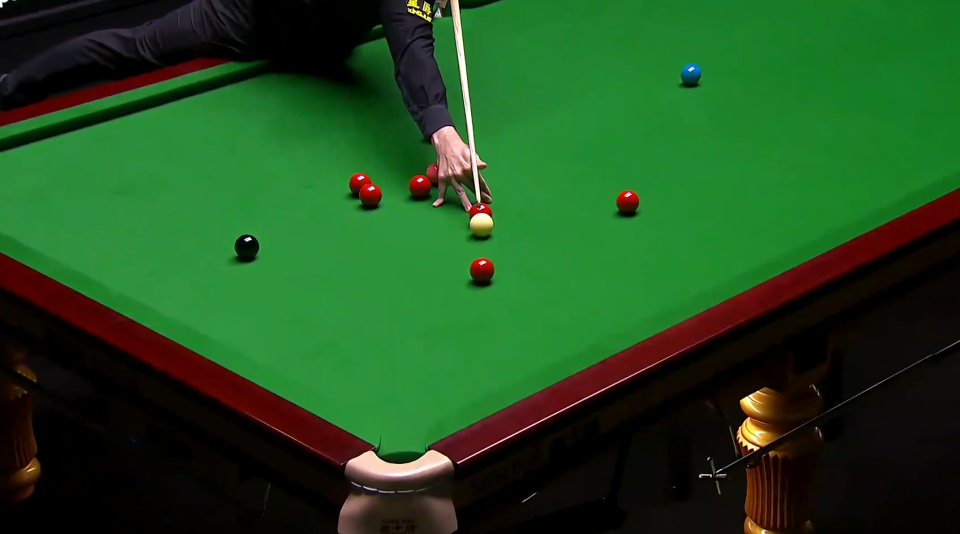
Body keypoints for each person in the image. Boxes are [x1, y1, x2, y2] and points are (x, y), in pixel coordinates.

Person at [0, 0, 492, 210]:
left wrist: (442, 128)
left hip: (322, 44)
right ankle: (9, 88)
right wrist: (443, 134)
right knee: (138, 46)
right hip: (244, 18)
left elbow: (412, 44)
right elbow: (411, 48)